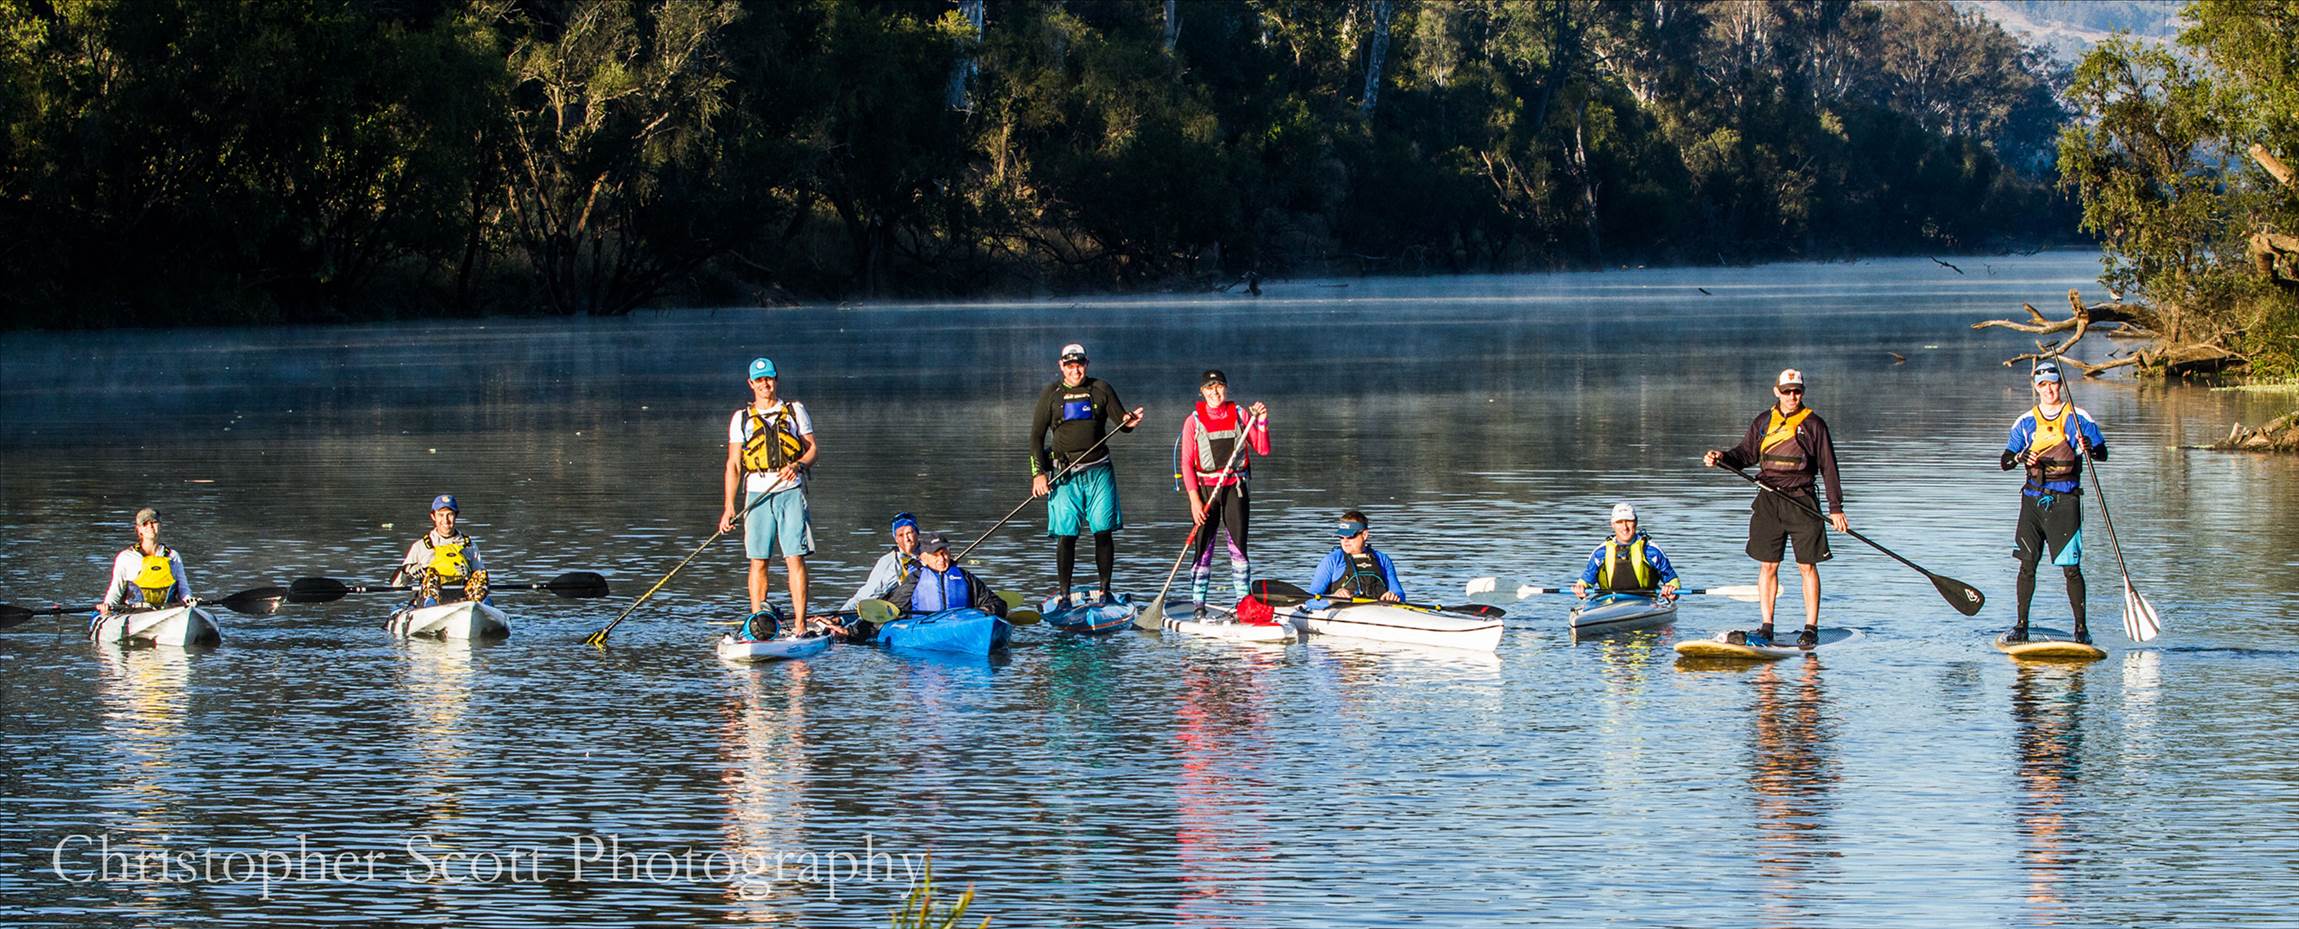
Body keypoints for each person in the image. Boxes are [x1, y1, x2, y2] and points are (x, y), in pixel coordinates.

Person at [1703, 368, 1849, 650]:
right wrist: (1722, 458)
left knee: (1807, 566)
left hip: (1802, 500)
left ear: (1802, 392)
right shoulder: (1763, 422)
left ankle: (1810, 628)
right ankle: (1767, 625)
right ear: (1776, 392)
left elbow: (1829, 468)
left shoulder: (1815, 424)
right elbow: (1744, 454)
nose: (1792, 396)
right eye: (1787, 391)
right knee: (1768, 565)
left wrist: (1835, 508)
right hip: (1769, 500)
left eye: (1797, 391)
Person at [1028, 342, 1143, 606]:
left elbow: (1121, 424)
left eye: (1079, 364)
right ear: (1061, 366)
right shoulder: (1051, 394)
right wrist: (1038, 473)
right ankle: (1065, 595)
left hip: (1099, 472)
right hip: (1064, 475)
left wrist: (1130, 423)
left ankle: (1105, 591)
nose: (1075, 370)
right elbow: (1036, 436)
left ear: (1086, 364)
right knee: (1067, 534)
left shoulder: (1101, 389)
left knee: (1103, 531)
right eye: (1069, 365)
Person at [2000, 361, 2107, 643]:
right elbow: (2005, 462)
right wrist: (2022, 456)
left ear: (2061, 384)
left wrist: (2090, 448)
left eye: (2053, 383)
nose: (2048, 389)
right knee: (2027, 564)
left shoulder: (2079, 417)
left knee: (2071, 569)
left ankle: (2081, 630)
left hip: (2065, 502)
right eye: (2042, 385)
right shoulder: (2024, 422)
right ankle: (2021, 625)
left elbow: (2102, 453)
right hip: (2033, 503)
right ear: (2036, 387)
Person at [720, 356, 819, 619]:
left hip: (790, 490)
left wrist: (797, 465)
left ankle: (799, 624)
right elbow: (733, 465)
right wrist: (729, 507)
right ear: (751, 383)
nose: (765, 384)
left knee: (794, 558)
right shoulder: (741, 418)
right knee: (758, 560)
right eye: (760, 379)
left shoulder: (795, 410)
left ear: (776, 380)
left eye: (769, 378)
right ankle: (757, 621)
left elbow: (812, 451)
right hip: (757, 494)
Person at [1178, 369, 1271, 617]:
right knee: (1203, 547)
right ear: (1202, 392)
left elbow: (1262, 449)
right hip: (1206, 491)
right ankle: (1198, 604)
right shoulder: (1193, 421)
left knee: (1238, 548)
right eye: (1209, 388)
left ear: (1226, 388)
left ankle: (1243, 602)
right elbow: (1186, 463)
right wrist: (1194, 500)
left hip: (1235, 488)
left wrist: (1261, 420)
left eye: (1219, 386)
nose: (1215, 392)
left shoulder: (1241, 414)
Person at [389, 494, 491, 606]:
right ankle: (430, 604)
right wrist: (408, 570)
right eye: (440, 515)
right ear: (433, 516)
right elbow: (396, 585)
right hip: (430, 602)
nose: (445, 520)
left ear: (456, 516)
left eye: (450, 515)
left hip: (464, 603)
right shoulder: (421, 546)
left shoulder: (469, 546)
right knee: (431, 573)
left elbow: (481, 578)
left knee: (481, 574)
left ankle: (483, 606)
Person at [883, 533, 1010, 619]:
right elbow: (893, 609)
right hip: (926, 627)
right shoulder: (915, 579)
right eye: (935, 555)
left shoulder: (966, 577)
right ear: (924, 558)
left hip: (962, 625)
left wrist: (986, 610)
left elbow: (998, 603)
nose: (942, 559)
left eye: (944, 553)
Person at [1572, 503, 1682, 600]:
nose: (1625, 527)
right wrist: (1580, 589)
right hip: (1607, 603)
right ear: (1612, 524)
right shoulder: (1600, 553)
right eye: (1619, 522)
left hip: (1646, 601)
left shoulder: (1652, 551)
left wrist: (1672, 591)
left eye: (1629, 521)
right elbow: (1585, 581)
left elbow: (1672, 581)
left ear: (1636, 522)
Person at [99, 507, 191, 617]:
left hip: (168, 611)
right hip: (135, 613)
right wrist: (107, 607)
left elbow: (183, 588)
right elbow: (116, 589)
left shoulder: (173, 556)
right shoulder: (126, 557)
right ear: (139, 529)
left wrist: (189, 600)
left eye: (154, 522)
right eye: (145, 524)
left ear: (160, 526)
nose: (150, 527)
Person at [1306, 511, 1405, 602]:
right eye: (1341, 536)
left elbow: (1399, 593)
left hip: (1378, 611)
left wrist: (1394, 595)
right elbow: (1310, 600)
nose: (1345, 541)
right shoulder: (1332, 560)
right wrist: (1332, 599)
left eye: (1350, 536)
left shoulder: (1382, 559)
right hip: (1340, 612)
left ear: (1365, 535)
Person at [841, 512, 922, 611]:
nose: (906, 539)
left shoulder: (935, 555)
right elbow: (865, 596)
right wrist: (840, 616)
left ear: (917, 533)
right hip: (899, 614)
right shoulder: (888, 563)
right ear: (896, 539)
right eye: (901, 535)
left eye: (909, 533)